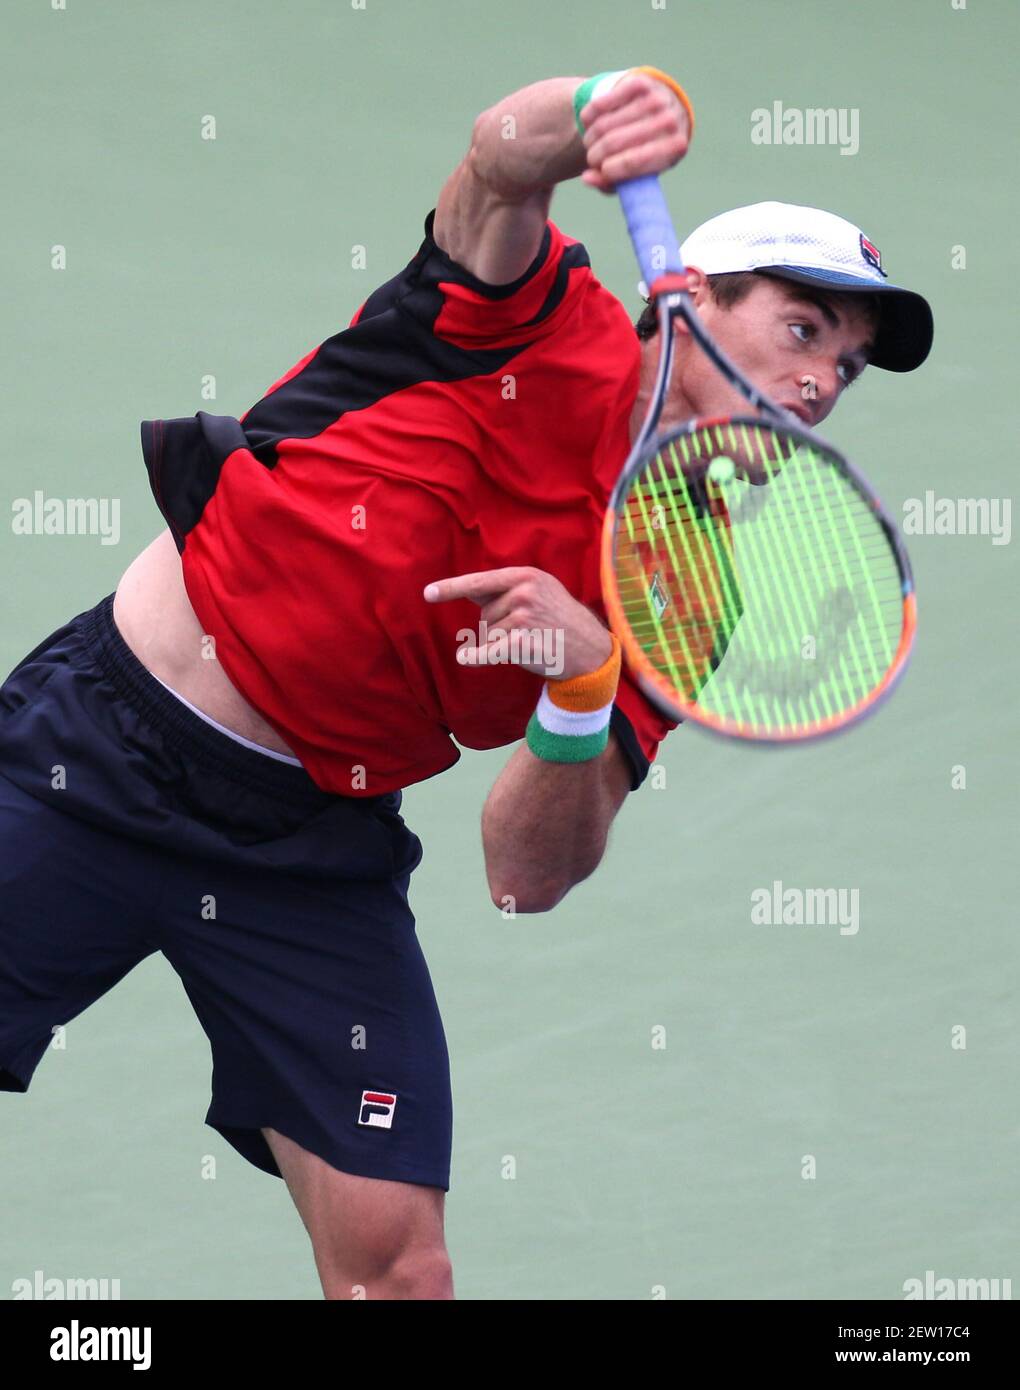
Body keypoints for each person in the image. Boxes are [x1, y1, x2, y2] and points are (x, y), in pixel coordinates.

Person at [0, 69, 932, 1301]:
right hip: (96, 751)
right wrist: (605, 101)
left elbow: (523, 873)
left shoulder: (685, 589)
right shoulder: (533, 318)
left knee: (403, 1272)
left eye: (847, 371)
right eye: (804, 331)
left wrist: (585, 683)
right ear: (688, 297)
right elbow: (501, 161)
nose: (820, 386)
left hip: (306, 847)